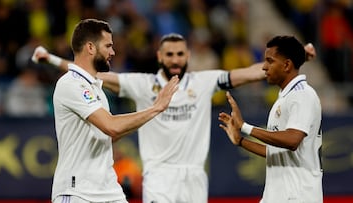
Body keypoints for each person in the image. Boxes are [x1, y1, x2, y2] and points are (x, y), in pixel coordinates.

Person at [32, 33, 316, 203]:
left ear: (188, 55)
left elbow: (253, 71)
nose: (175, 59)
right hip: (159, 175)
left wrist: (298, 55)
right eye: (169, 54)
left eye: (180, 54)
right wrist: (53, 60)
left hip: (194, 176)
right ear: (159, 56)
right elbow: (91, 73)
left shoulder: (204, 81)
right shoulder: (142, 84)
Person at [49, 19, 179, 203]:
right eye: (108, 46)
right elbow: (111, 126)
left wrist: (146, 116)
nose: (113, 52)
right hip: (78, 192)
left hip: (108, 188)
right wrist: (156, 108)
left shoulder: (96, 89)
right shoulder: (71, 84)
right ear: (91, 47)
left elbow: (108, 135)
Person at [219, 35, 322, 203]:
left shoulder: (302, 95)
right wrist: (240, 140)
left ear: (287, 65)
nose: (264, 67)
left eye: (270, 61)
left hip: (297, 196)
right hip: (278, 195)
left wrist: (244, 126)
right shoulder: (285, 97)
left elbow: (292, 140)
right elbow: (276, 152)